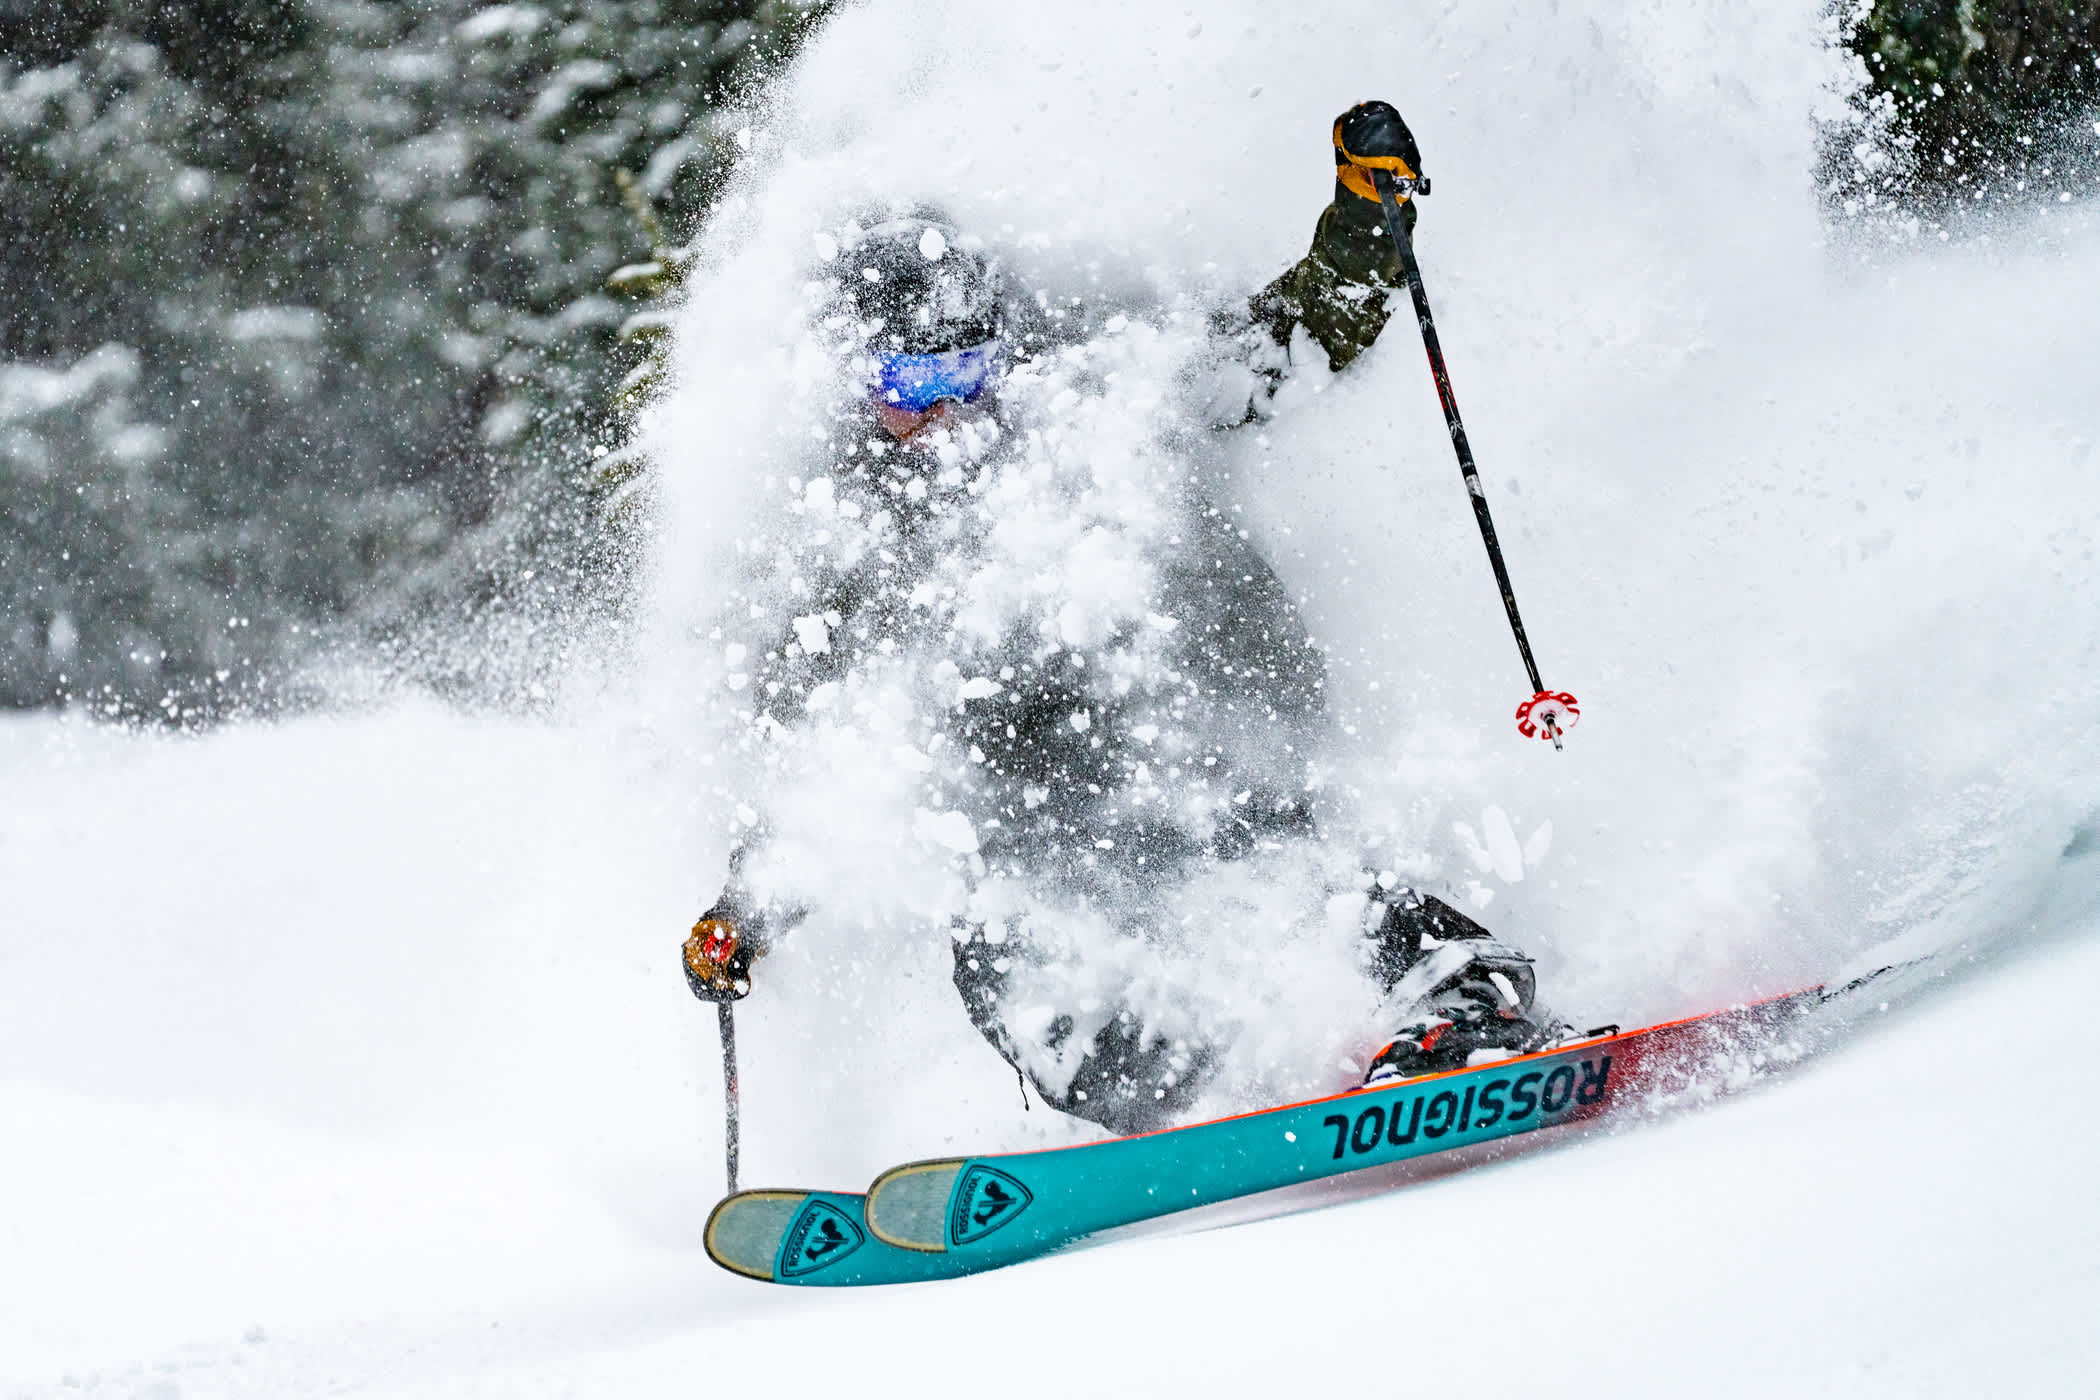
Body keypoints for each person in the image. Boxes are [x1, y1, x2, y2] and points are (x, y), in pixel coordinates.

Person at [681, 101, 1569, 1130]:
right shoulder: (858, 541)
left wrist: (1366, 225)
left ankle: (1459, 1000)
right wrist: (741, 915)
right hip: (1031, 797)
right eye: (907, 382)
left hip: (1196, 710)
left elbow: (1291, 338)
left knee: (1243, 843)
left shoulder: (1099, 391)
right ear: (856, 385)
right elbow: (843, 759)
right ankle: (1216, 1091)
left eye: (964, 371)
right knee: (1001, 945)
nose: (944, 411)